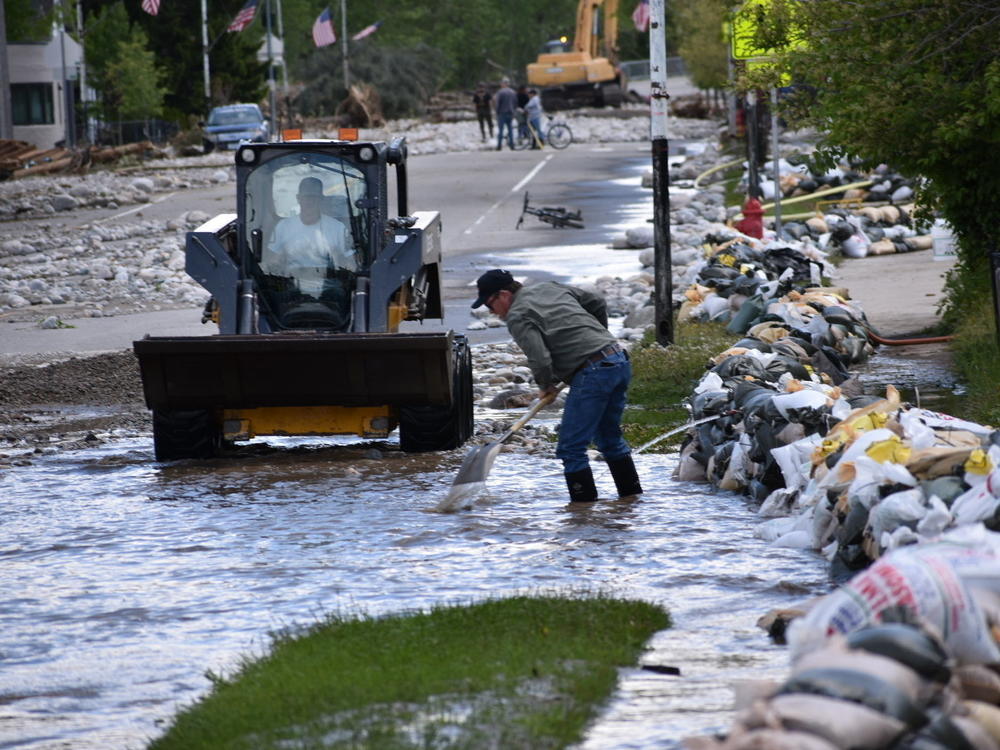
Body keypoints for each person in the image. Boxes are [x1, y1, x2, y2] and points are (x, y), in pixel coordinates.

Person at [471, 269, 642, 503]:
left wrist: (545, 385)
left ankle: (582, 516)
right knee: (609, 439)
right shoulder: (548, 287)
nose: (491, 312)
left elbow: (539, 359)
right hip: (617, 360)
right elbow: (596, 302)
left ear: (503, 295)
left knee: (571, 448)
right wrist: (600, 336)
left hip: (594, 372)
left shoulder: (518, 315)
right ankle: (631, 502)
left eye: (490, 305)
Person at [266, 176, 355, 298]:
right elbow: (271, 261)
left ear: (321, 199)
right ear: (298, 199)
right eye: (306, 197)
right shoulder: (283, 227)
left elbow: (351, 263)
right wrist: (279, 263)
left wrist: (339, 259)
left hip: (329, 286)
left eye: (314, 198)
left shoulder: (338, 228)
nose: (310, 202)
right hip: (291, 285)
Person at [494, 78, 518, 151]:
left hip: (502, 113)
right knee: (510, 129)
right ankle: (512, 145)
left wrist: (497, 112)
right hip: (510, 112)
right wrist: (513, 111)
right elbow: (515, 102)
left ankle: (499, 146)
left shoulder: (500, 92)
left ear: (503, 84)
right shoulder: (513, 92)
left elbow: (498, 103)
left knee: (501, 130)